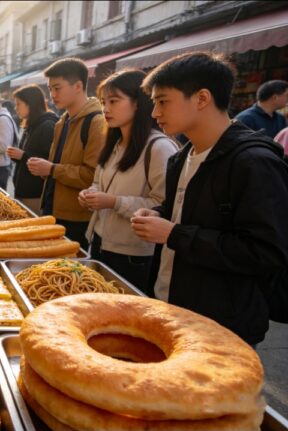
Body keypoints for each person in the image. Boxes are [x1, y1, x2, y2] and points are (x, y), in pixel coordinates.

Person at [131, 52, 288, 345]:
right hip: (171, 306)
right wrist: (159, 214)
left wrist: (174, 233)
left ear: (202, 98)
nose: (154, 112)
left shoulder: (253, 162)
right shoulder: (182, 156)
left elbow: (266, 252)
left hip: (220, 327)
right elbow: (192, 211)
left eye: (163, 101)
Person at [76, 69, 178, 295]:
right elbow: (98, 182)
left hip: (133, 254)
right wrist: (90, 194)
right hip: (101, 242)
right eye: (103, 102)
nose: (106, 109)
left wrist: (113, 202)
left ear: (138, 102)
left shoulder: (159, 147)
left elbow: (163, 207)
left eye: (114, 101)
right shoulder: (115, 143)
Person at [27, 58, 107, 250]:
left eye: (57, 88)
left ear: (78, 86)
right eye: (50, 89)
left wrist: (52, 169)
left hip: (76, 218)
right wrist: (46, 169)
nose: (52, 95)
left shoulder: (96, 122)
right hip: (52, 209)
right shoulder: (62, 121)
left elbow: (92, 176)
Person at [6, 85, 58, 214]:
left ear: (30, 104)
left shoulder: (47, 126)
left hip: (35, 193)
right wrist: (17, 156)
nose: (15, 108)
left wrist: (22, 156)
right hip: (23, 189)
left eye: (18, 104)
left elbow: (49, 161)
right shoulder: (31, 124)